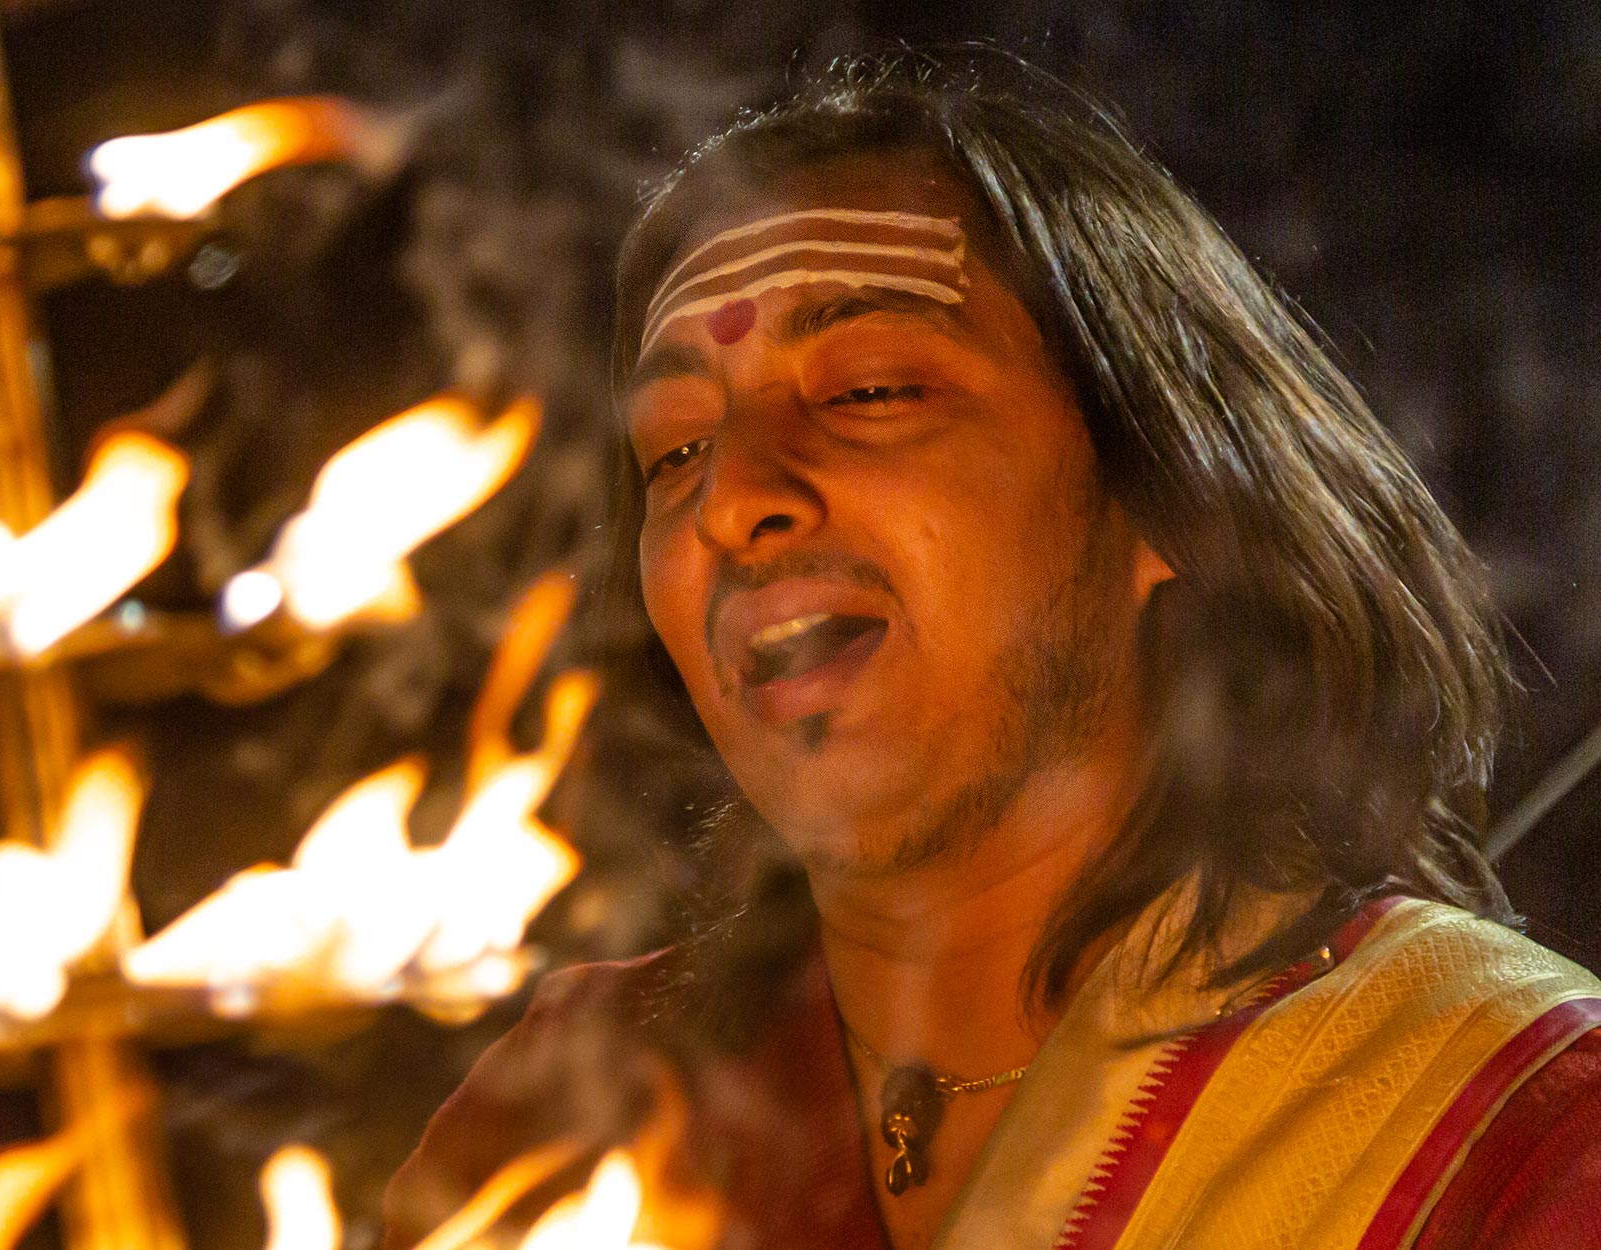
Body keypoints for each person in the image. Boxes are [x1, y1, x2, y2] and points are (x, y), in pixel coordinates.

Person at [382, 55, 1601, 1250]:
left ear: (1166, 492)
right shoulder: (562, 1102)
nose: (731, 497)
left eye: (868, 388)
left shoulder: (1512, 1127)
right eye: (673, 450)